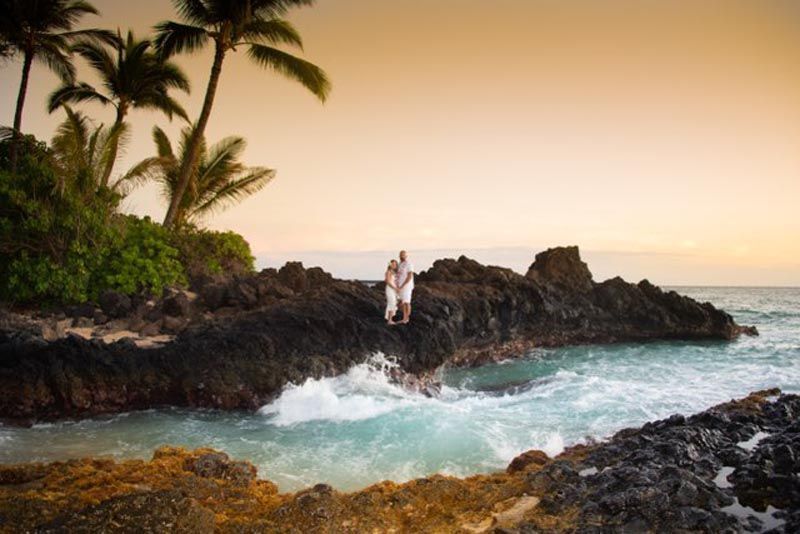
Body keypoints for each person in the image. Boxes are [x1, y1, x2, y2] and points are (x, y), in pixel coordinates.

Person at [395, 250, 414, 324]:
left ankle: (406, 319)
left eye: (403, 255)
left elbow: (410, 276)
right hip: (400, 286)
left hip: (407, 286)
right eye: (400, 255)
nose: (401, 256)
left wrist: (403, 285)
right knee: (401, 302)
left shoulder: (409, 264)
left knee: (407, 302)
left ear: (406, 256)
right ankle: (404, 317)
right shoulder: (400, 264)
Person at [384, 259, 399, 324]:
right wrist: (394, 288)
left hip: (394, 289)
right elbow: (387, 281)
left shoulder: (394, 272)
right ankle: (389, 320)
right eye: (393, 264)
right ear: (390, 265)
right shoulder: (388, 272)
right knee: (391, 303)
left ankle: (390, 319)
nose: (394, 265)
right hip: (390, 289)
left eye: (395, 264)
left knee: (394, 303)